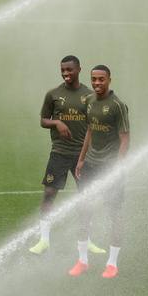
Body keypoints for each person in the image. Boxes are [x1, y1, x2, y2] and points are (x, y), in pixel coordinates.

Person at [29, 56, 100, 257]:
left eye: (69, 70)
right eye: (63, 70)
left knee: (86, 197)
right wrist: (57, 123)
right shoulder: (53, 94)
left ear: (79, 69)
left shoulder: (89, 96)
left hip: (82, 156)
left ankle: (87, 241)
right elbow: (43, 120)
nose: (66, 74)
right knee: (49, 194)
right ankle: (44, 240)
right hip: (59, 153)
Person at [70, 65, 130, 279]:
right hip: (91, 165)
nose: (96, 83)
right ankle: (82, 260)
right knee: (83, 210)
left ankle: (112, 263)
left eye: (101, 79)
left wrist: (119, 166)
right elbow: (89, 131)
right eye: (94, 79)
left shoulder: (118, 106)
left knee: (114, 214)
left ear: (109, 80)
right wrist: (81, 159)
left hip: (110, 166)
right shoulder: (90, 102)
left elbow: (125, 138)